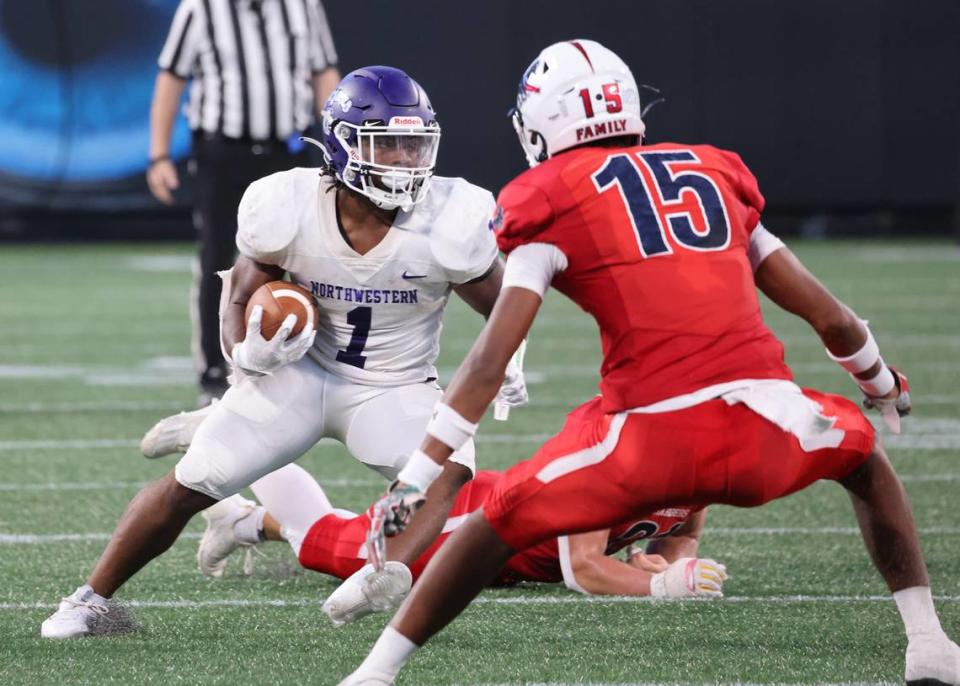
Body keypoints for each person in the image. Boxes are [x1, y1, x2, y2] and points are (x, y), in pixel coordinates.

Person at [338, 40, 960, 686]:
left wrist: (415, 476)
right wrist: (881, 384)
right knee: (863, 458)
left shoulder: (547, 193)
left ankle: (375, 674)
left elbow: (492, 358)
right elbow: (830, 317)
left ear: (545, 123)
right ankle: (929, 642)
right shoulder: (714, 172)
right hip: (771, 430)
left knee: (492, 526)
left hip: (650, 441)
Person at [40, 66, 527, 639]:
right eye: (386, 144)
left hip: (392, 386)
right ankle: (89, 600)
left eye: (413, 143)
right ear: (343, 145)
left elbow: (505, 303)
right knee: (192, 482)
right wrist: (247, 355)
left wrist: (510, 355)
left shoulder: (450, 217)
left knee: (450, 466)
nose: (403, 160)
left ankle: (384, 568)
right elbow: (240, 296)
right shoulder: (286, 203)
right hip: (296, 376)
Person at [147, 0, 341, 404]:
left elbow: (323, 72)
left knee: (303, 257)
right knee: (219, 260)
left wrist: (335, 145)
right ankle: (215, 371)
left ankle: (303, 359)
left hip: (286, 151)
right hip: (223, 152)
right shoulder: (200, 9)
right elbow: (171, 77)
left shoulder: (302, 6)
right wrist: (159, 154)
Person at [193, 465, 726, 611]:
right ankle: (230, 433)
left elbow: (676, 536)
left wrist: (656, 563)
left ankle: (243, 521)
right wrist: (656, 587)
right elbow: (582, 568)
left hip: (499, 555)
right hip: (469, 517)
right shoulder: (620, 472)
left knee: (348, 536)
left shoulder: (699, 480)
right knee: (323, 547)